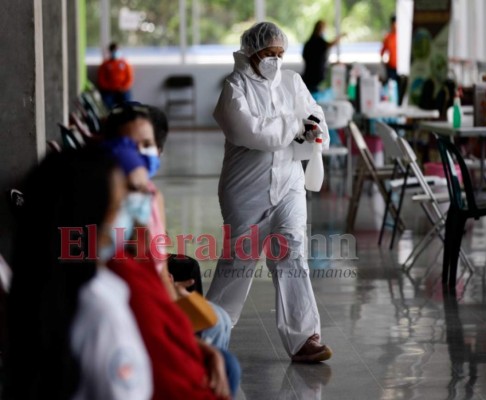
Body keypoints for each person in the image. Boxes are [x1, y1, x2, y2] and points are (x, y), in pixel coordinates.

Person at [207, 21, 333, 363]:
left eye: (280, 54)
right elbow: (254, 133)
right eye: (268, 54)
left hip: (289, 184)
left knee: (292, 254)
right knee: (239, 263)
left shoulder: (292, 82)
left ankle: (304, 338)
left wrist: (314, 129)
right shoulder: (234, 90)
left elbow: (316, 116)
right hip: (246, 191)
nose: (275, 61)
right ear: (251, 52)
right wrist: (295, 125)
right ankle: (207, 334)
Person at [6, 147, 152, 400]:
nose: (126, 215)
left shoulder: (32, 285)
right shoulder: (102, 312)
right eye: (118, 206)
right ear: (90, 219)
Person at [102, 103, 233, 351]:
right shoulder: (106, 194)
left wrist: (168, 283)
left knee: (215, 315)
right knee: (217, 326)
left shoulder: (152, 195)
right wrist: (167, 291)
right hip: (137, 295)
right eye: (129, 145)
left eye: (148, 144)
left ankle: (196, 360)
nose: (139, 153)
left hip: (155, 284)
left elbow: (154, 254)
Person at [302, 20, 344, 93]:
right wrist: (339, 37)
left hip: (309, 76)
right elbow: (329, 45)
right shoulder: (317, 41)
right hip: (314, 77)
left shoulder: (309, 42)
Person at [97, 42, 134, 109]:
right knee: (107, 103)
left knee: (127, 102)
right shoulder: (105, 64)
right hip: (109, 91)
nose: (115, 52)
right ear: (110, 52)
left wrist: (123, 87)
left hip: (123, 90)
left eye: (116, 50)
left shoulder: (125, 63)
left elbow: (129, 78)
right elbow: (101, 80)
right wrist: (109, 88)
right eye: (113, 51)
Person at [380, 15, 398, 83]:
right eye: (393, 24)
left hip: (401, 68)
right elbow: (382, 51)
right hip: (391, 68)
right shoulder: (388, 37)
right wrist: (384, 63)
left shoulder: (401, 37)